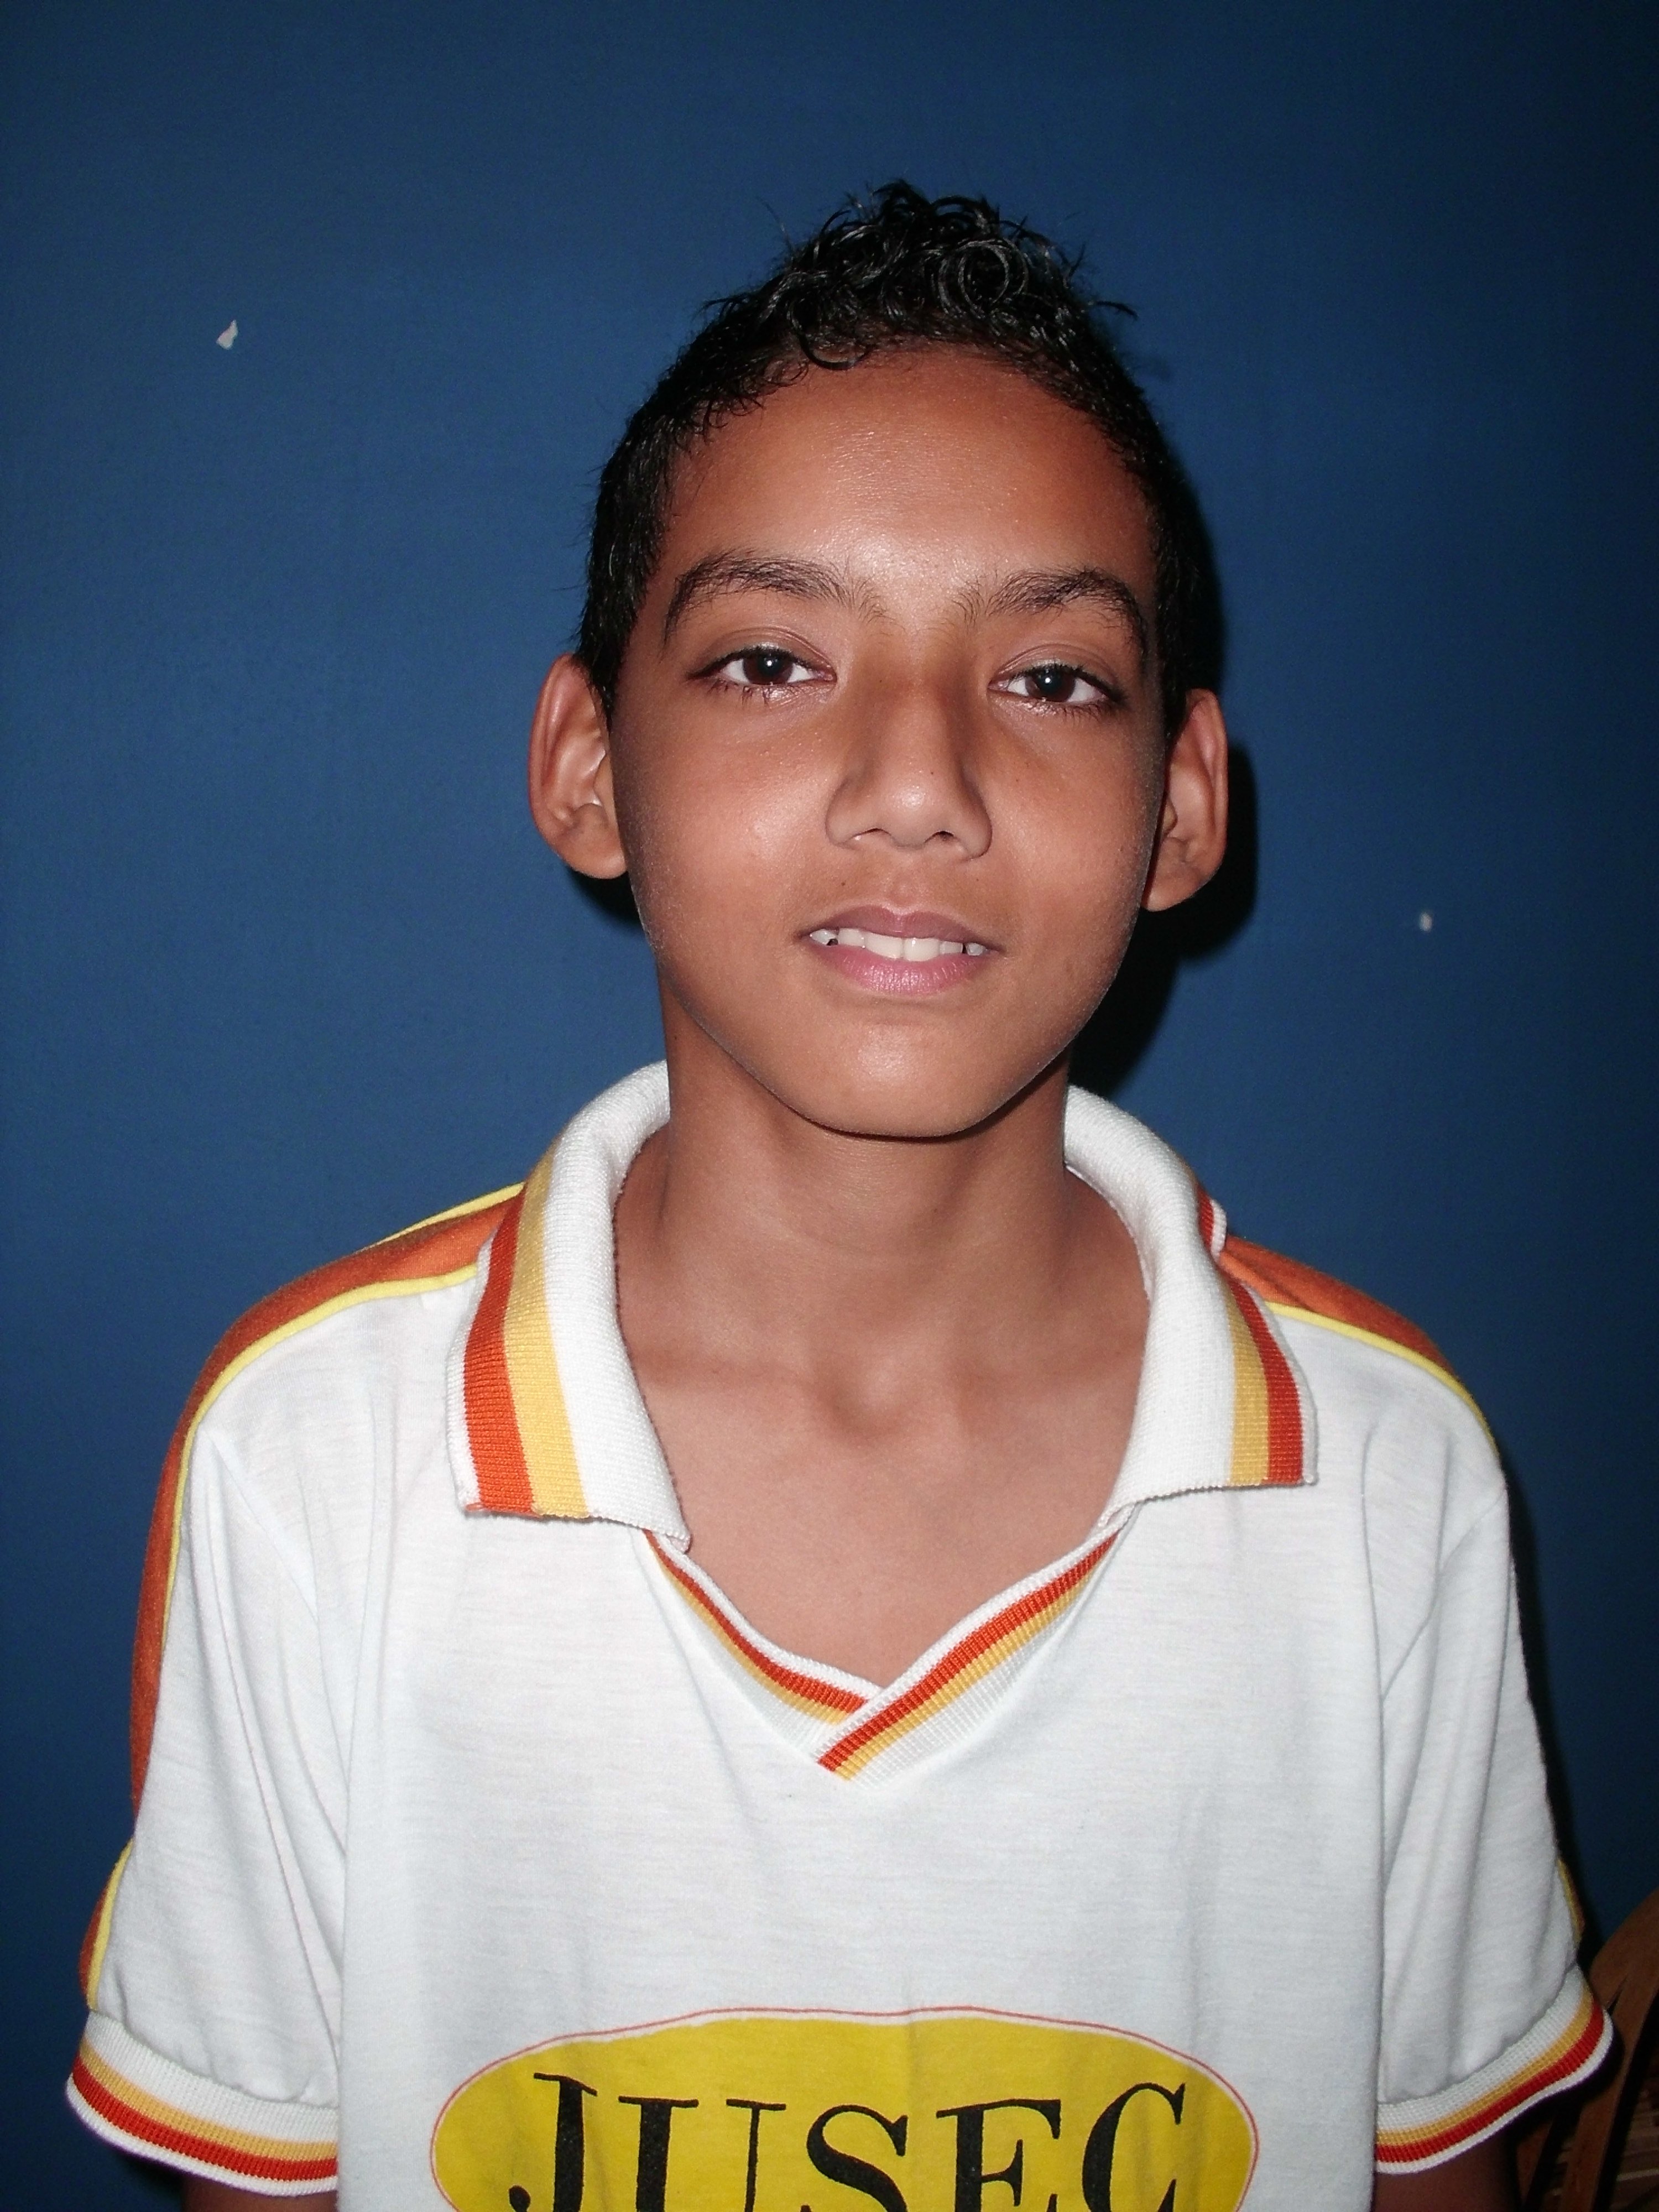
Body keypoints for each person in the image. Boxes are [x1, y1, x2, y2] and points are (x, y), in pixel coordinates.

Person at [67, 185, 1608, 2212]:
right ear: (588, 766)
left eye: (1051, 680)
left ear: (1185, 805)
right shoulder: (318, 1453)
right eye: (773, 658)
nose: (916, 784)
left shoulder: (1386, 1478)